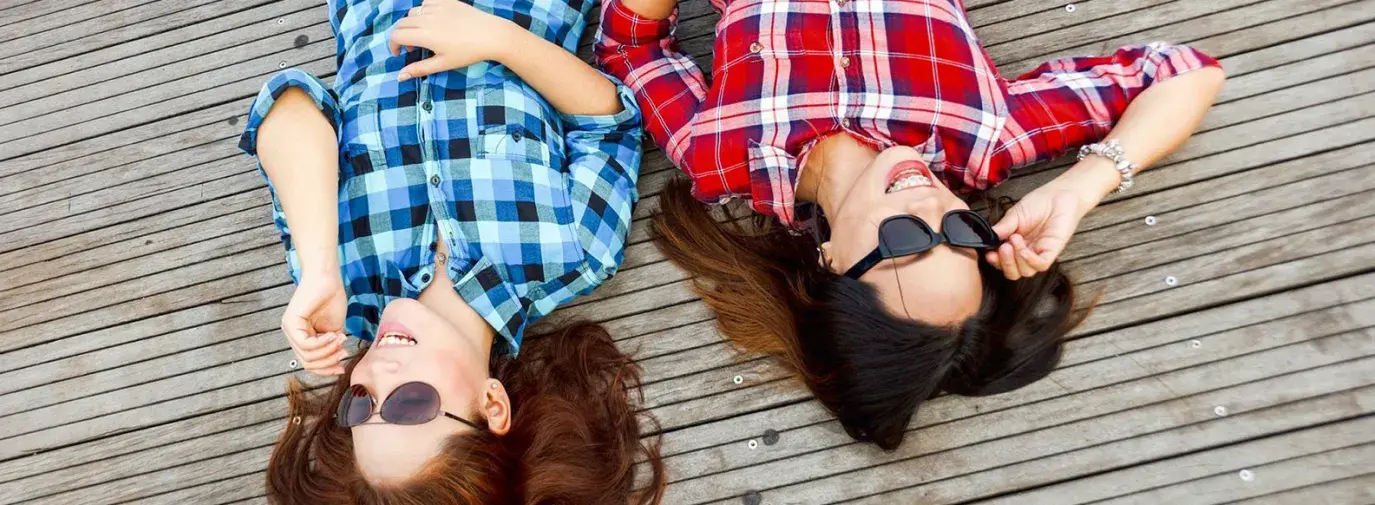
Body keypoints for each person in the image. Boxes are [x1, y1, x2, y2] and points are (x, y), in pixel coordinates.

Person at [595, 0, 1226, 449]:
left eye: (904, 243)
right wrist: (1083, 185)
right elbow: (1186, 73)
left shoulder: (721, 155)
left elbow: (630, 46)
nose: (931, 208)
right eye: (960, 236)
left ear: (832, 264)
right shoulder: (980, 140)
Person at [238, 0, 664, 501]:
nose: (377, 373)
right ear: (491, 404)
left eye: (359, 403)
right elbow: (609, 123)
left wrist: (319, 266)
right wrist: (502, 40)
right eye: (410, 404)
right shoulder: (575, 254)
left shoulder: (339, 279)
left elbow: (289, 100)